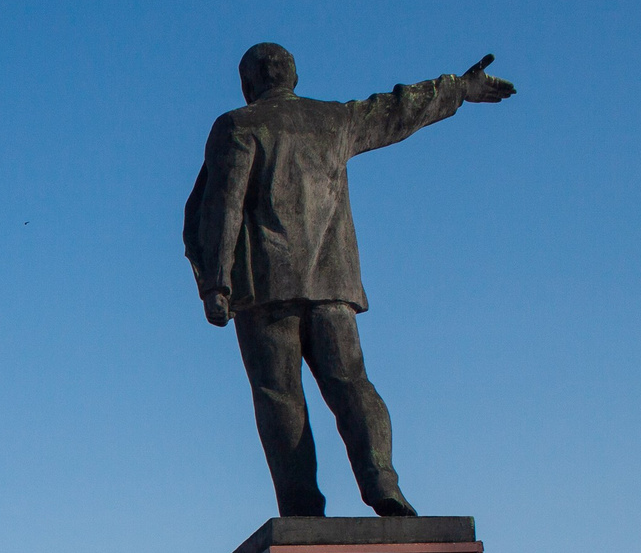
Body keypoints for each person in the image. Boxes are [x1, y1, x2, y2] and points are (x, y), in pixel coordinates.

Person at [183, 42, 516, 519]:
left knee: (281, 398)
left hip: (265, 289)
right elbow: (397, 108)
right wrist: (459, 88)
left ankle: (301, 509)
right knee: (352, 385)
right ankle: (383, 481)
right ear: (294, 77)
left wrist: (215, 283)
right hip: (332, 283)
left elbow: (219, 207)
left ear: (248, 83)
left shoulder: (238, 126)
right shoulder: (334, 120)